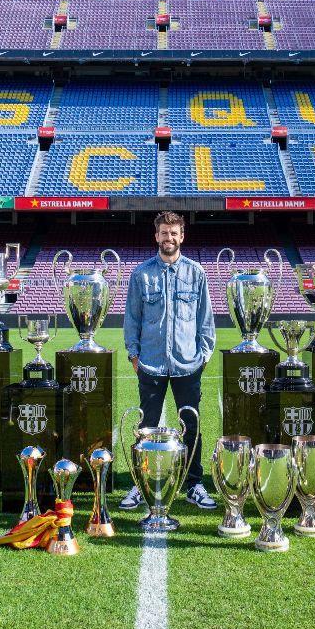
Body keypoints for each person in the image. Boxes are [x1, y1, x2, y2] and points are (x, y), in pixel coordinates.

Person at [120, 211, 217, 510]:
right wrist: (134, 355)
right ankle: (141, 484)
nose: (169, 238)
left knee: (190, 424)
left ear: (182, 236)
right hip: (150, 363)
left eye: (174, 233)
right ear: (156, 236)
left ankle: (194, 483)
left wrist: (203, 355)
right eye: (164, 232)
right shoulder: (141, 275)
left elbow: (205, 320)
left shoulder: (196, 273)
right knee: (146, 426)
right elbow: (132, 318)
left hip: (187, 363)